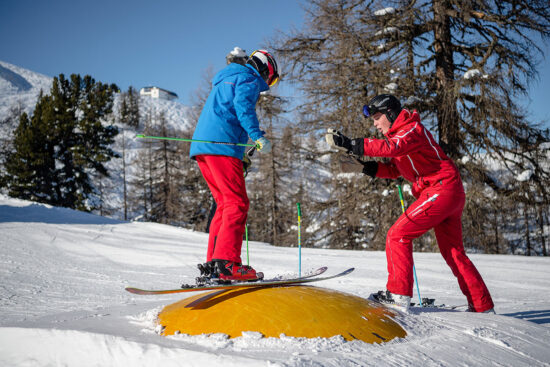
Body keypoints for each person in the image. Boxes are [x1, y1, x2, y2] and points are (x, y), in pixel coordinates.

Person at [325, 94, 495, 313]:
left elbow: (392, 147)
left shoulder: (411, 130)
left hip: (441, 189)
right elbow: (396, 170)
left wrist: (351, 144)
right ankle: (483, 306)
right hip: (445, 192)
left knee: (398, 235)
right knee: (453, 252)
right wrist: (364, 168)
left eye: (377, 118)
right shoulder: (402, 138)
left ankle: (398, 295)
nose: (375, 124)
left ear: (390, 114)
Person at [190, 49, 279, 282]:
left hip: (205, 148)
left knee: (224, 205)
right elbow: (243, 108)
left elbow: (226, 113)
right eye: (273, 78)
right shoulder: (248, 78)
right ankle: (227, 263)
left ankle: (213, 264)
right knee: (237, 203)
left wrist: (241, 153)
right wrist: (256, 136)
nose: (270, 83)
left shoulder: (227, 78)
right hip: (222, 146)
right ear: (265, 70)